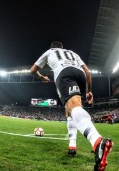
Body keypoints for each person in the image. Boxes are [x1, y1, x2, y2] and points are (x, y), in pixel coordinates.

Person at [30, 41, 113, 171]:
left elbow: (33, 70)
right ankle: (72, 145)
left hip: (64, 73)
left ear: (52, 48)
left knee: (73, 108)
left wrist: (41, 77)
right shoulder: (73, 53)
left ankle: (97, 141)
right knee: (69, 110)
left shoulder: (49, 52)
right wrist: (89, 91)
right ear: (63, 48)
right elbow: (88, 73)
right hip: (80, 75)